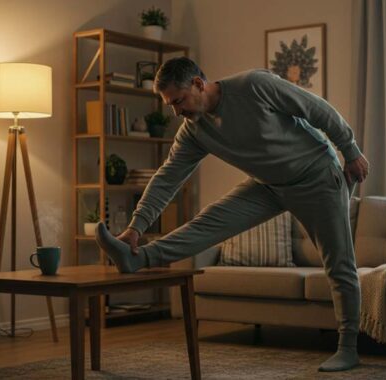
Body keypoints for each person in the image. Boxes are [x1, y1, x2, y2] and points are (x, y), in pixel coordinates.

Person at [95, 57, 369, 372]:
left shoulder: (254, 86)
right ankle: (137, 258)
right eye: (170, 105)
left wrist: (350, 151)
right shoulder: (193, 131)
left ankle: (348, 347)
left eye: (179, 101)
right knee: (208, 222)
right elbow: (167, 178)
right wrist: (134, 228)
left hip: (317, 177)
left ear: (198, 83)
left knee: (339, 263)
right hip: (268, 186)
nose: (176, 111)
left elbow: (317, 110)